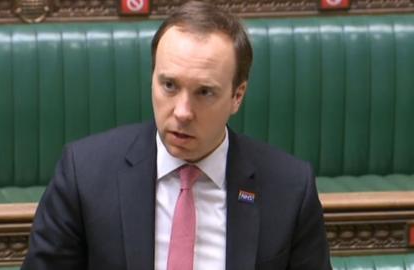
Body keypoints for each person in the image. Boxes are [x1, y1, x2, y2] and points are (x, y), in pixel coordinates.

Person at [21, 1, 332, 269]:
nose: (182, 111)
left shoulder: (290, 188)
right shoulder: (84, 174)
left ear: (238, 96)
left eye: (205, 92)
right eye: (169, 85)